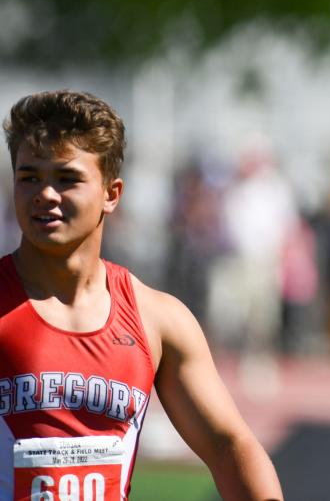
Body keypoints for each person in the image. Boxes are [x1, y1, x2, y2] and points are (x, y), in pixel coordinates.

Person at [0, 90, 283, 500]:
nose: (45, 194)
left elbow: (228, 444)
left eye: (67, 178)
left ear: (111, 194)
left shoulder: (158, 318)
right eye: (30, 178)